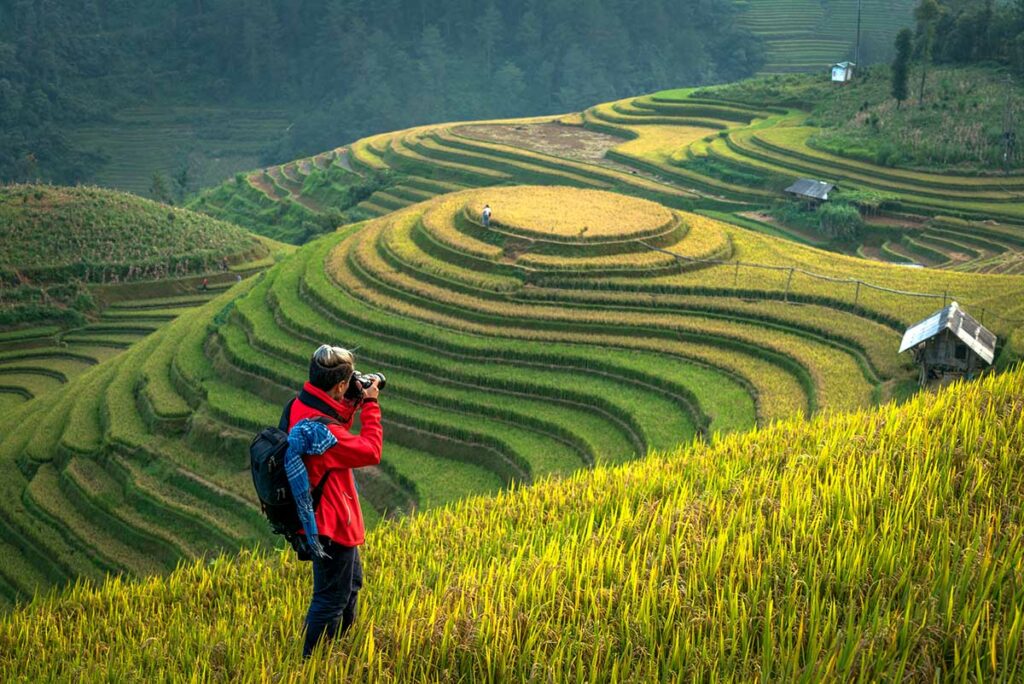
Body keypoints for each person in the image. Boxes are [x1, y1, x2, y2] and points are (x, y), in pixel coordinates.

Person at [288, 344, 383, 658]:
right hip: (330, 524)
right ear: (339, 385)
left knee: (350, 585)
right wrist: (369, 404)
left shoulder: (299, 407)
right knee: (329, 598)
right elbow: (370, 450)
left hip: (318, 516)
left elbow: (332, 422)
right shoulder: (322, 433)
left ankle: (339, 650)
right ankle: (309, 663)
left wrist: (350, 401)